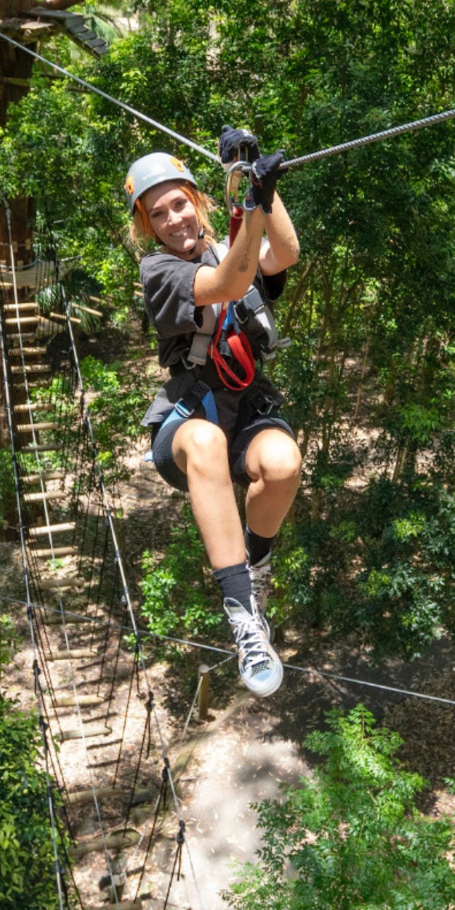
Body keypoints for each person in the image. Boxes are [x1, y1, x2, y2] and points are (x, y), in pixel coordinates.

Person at [126, 131, 302, 696]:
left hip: (245, 406)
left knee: (282, 463)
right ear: (147, 227)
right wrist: (250, 206)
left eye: (179, 203)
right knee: (203, 442)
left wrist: (262, 191)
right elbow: (230, 282)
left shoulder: (231, 242)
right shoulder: (159, 271)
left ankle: (257, 563)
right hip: (188, 417)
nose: (173, 218)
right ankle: (243, 617)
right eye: (159, 214)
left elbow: (286, 253)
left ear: (197, 201)